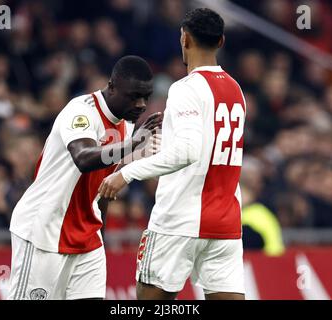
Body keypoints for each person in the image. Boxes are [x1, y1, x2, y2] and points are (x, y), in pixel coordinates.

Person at [99, 8, 247, 300]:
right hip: (226, 222)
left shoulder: (185, 89)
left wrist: (125, 173)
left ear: (185, 39)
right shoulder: (236, 90)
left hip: (179, 220)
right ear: (221, 42)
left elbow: (187, 151)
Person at [8, 55, 162, 300]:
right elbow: (83, 157)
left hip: (87, 236)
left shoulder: (127, 123)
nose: (142, 104)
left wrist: (101, 228)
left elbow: (104, 185)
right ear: (112, 87)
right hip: (44, 229)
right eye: (134, 96)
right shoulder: (80, 111)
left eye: (146, 96)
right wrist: (133, 144)